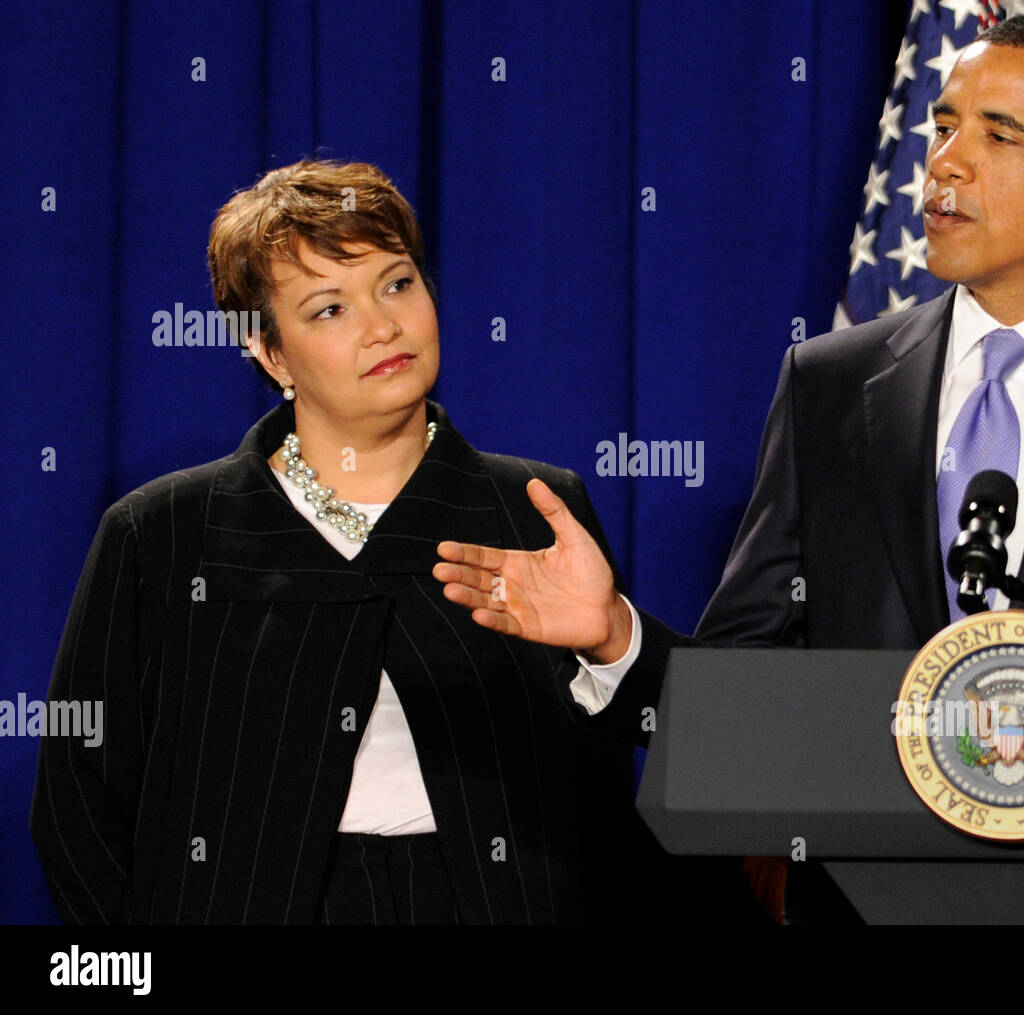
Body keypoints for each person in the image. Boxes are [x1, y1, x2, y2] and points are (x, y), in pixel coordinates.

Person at [434, 16, 1024, 923]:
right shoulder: (831, 385)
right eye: (943, 125)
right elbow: (752, 680)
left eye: (1000, 134)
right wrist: (619, 636)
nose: (947, 164)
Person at [29, 158, 749, 925]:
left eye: (398, 283)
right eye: (329, 309)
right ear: (270, 353)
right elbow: (77, 809)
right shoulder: (164, 534)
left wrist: (613, 638)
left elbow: (683, 761)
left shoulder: (535, 510)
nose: (383, 326)